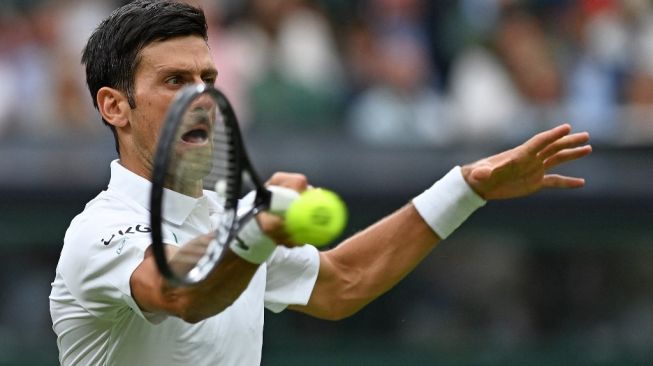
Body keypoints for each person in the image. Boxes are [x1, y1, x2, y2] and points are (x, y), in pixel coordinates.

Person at [49, 1, 592, 365]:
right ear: (114, 106)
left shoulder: (228, 217)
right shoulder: (98, 233)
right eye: (175, 81)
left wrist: (467, 187)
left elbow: (341, 284)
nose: (203, 98)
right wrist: (255, 230)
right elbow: (179, 291)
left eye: (208, 79)